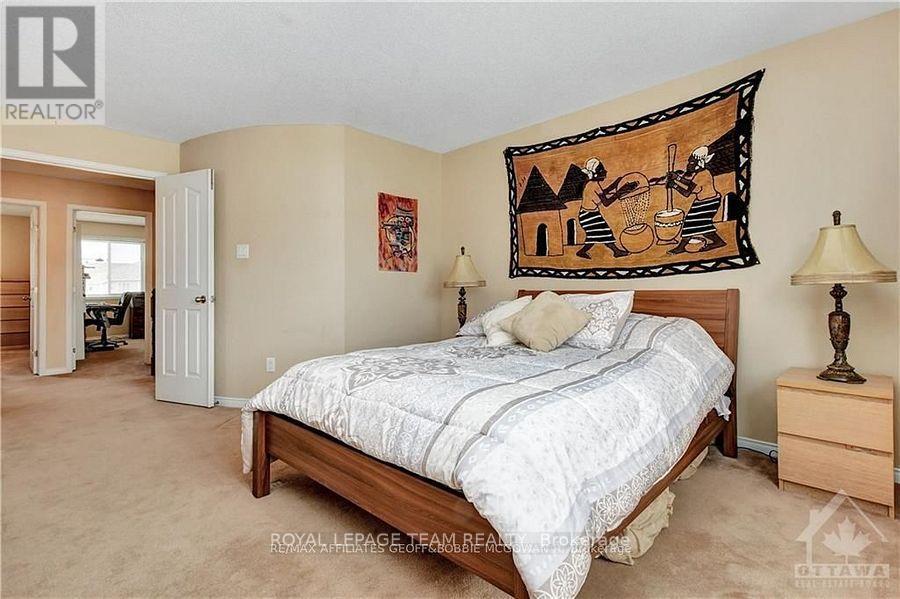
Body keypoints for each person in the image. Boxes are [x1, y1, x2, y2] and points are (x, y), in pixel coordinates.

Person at [666, 146, 727, 254]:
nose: (688, 165)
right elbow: (690, 184)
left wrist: (674, 185)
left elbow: (687, 192)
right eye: (689, 162)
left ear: (700, 163)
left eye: (691, 163)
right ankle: (718, 241)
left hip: (708, 203)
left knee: (692, 223)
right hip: (706, 201)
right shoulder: (702, 173)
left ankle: (681, 247)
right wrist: (676, 178)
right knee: (700, 224)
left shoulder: (702, 176)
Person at [576, 158, 637, 259]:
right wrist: (621, 191)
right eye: (601, 170)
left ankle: (582, 252)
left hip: (589, 214)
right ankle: (616, 252)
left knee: (596, 235)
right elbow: (606, 202)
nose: (605, 172)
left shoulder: (592, 184)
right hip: (589, 215)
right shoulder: (593, 185)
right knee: (604, 232)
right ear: (595, 173)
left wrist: (616, 184)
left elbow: (603, 193)